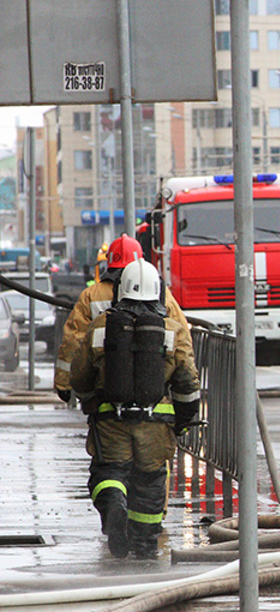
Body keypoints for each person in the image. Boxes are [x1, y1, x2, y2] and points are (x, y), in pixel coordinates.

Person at [70, 258, 200, 559]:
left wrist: (91, 403)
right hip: (155, 427)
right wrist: (182, 420)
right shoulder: (173, 330)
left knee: (109, 472)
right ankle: (144, 545)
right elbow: (187, 382)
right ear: (158, 291)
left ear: (120, 290)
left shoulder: (101, 326)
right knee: (150, 482)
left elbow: (80, 375)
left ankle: (114, 501)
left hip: (110, 422)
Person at [56, 235, 188, 403]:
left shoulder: (91, 295)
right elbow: (182, 337)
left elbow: (73, 340)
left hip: (106, 387)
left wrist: (64, 384)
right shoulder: (161, 294)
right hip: (155, 386)